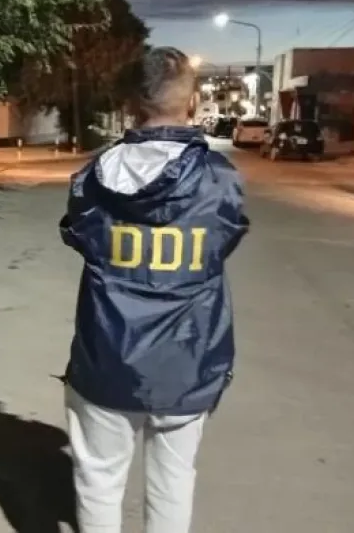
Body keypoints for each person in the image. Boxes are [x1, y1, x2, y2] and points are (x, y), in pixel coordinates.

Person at [58, 47, 250, 533]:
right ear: (191, 102)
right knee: (172, 483)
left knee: (99, 482)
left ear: (130, 103)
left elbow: (78, 234)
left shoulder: (93, 178)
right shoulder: (219, 178)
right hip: (188, 362)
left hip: (107, 356)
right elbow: (225, 240)